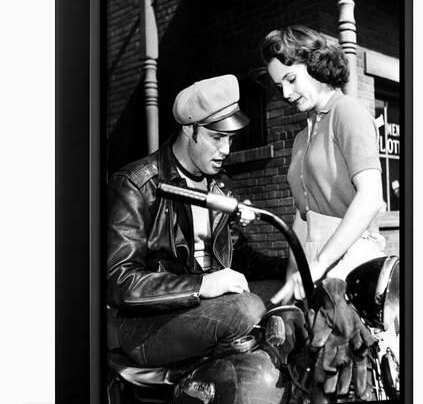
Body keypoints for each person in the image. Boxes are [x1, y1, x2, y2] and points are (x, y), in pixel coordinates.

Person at [107, 74, 286, 368]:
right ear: (189, 129)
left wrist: (286, 267)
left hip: (210, 309)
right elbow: (120, 281)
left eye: (230, 138)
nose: (226, 150)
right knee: (248, 308)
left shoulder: (219, 185)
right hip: (147, 326)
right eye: (216, 137)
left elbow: (235, 256)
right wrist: (202, 284)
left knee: (286, 294)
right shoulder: (136, 185)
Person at [260, 26, 386, 305]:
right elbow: (301, 217)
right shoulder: (302, 137)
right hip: (312, 258)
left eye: (291, 79)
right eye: (279, 85)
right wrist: (293, 278)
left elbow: (371, 196)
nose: (287, 93)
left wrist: (318, 264)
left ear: (315, 65)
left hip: (349, 257)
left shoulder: (347, 111)